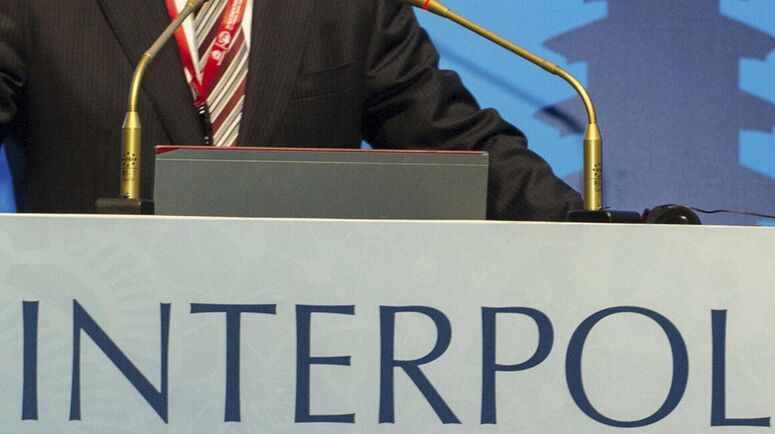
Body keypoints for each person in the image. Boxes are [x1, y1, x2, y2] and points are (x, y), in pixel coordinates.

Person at [0, 0, 582, 220]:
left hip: (295, 353)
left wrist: (600, 241)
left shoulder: (347, 8)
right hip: (92, 344)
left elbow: (459, 145)